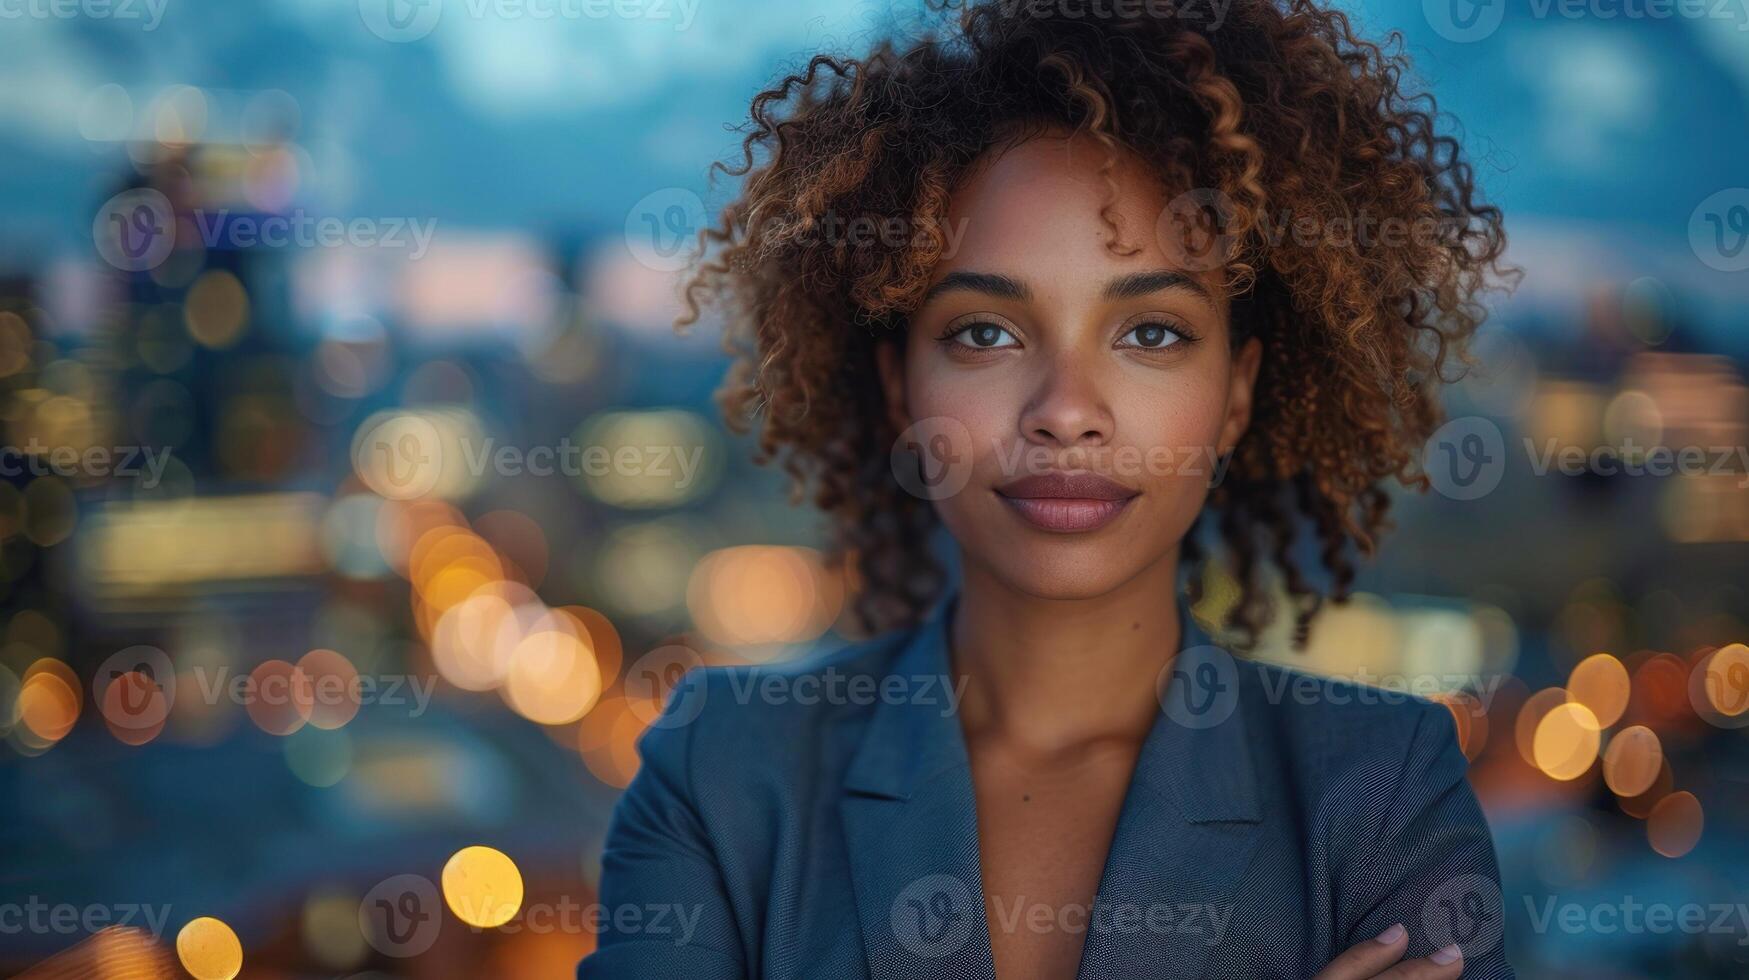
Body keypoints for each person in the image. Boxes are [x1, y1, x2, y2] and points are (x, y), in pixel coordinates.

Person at [582, 1, 1514, 977]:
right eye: (986, 331)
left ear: (1237, 395)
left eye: (1150, 331)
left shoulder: (1380, 790)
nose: (1066, 410)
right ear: (901, 385)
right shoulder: (720, 774)